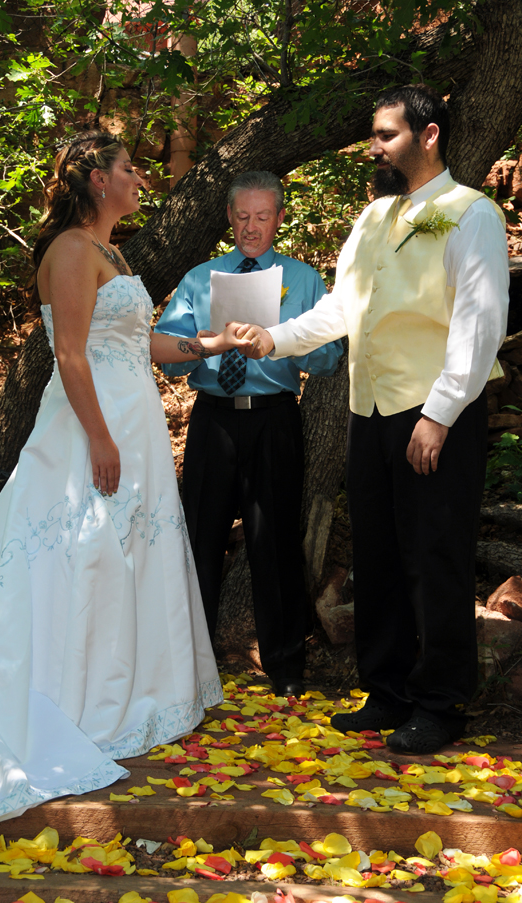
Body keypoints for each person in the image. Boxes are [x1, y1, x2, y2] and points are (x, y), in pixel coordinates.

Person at [0, 130, 247, 843]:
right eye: (130, 169)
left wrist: (208, 345)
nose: (140, 179)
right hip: (89, 429)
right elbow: (69, 352)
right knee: (77, 555)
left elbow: (137, 343)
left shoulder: (112, 252)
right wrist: (99, 435)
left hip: (132, 426)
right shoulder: (70, 250)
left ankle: (126, 688)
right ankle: (71, 696)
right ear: (97, 179)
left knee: (119, 555)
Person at [237, 86, 510, 754]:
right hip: (371, 409)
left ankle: (441, 702)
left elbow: (479, 324)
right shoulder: (372, 220)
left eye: (387, 134)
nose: (374, 145)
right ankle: (385, 692)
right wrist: (273, 339)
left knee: (435, 558)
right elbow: (342, 310)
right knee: (379, 557)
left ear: (430, 135)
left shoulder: (470, 213)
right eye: (374, 134)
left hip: (436, 410)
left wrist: (440, 414)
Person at [154, 171, 342, 698]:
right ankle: (188, 663)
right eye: (242, 216)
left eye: (262, 217)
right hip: (213, 416)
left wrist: (279, 342)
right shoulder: (199, 278)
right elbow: (167, 357)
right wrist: (207, 342)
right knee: (199, 538)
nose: (251, 227)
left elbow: (330, 358)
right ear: (229, 218)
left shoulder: (304, 281)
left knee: (275, 539)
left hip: (274, 417)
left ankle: (286, 668)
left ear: (280, 218)